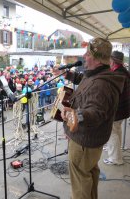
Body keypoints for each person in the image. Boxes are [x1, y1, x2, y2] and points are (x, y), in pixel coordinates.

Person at [53, 38, 125, 199]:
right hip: (90, 141)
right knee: (89, 175)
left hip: (84, 142)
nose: (84, 56)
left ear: (98, 59)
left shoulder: (101, 85)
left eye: (88, 53)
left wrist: (73, 115)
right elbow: (84, 80)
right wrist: (67, 74)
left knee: (80, 185)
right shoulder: (99, 74)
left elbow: (96, 113)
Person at [103, 51, 130, 165]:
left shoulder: (117, 73)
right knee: (116, 130)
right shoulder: (123, 71)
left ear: (112, 61)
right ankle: (115, 151)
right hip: (123, 108)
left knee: (111, 132)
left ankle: (115, 158)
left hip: (118, 109)